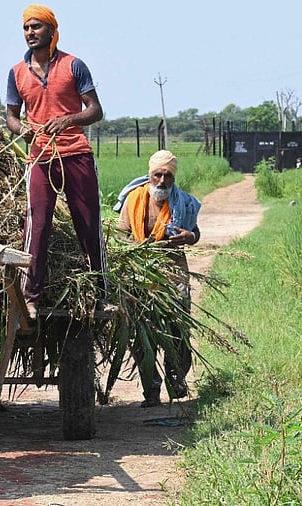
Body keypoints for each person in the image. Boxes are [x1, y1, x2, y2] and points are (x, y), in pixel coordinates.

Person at [4, 4, 110, 320]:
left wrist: (69, 120)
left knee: (88, 224)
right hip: (39, 156)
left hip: (75, 153)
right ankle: (30, 297)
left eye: (36, 27)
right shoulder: (17, 73)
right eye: (26, 28)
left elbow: (96, 110)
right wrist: (21, 128)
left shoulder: (74, 65)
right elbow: (10, 115)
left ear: (52, 30)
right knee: (36, 225)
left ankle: (102, 293)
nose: (30, 33)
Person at [115, 149, 201, 407]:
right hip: (141, 275)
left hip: (174, 275)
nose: (162, 181)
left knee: (178, 331)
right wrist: (134, 252)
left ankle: (176, 383)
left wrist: (190, 237)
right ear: (149, 174)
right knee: (143, 336)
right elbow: (121, 236)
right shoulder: (134, 199)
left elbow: (195, 232)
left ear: (173, 178)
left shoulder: (184, 203)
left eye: (167, 176)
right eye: (157, 175)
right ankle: (151, 392)